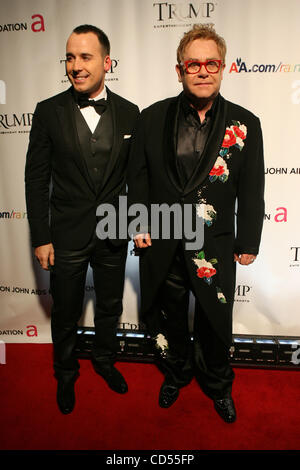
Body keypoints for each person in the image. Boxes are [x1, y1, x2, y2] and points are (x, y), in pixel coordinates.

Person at [128, 24, 264, 423]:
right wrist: (138, 223)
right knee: (168, 316)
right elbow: (137, 177)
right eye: (193, 64)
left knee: (215, 321)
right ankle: (175, 373)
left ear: (223, 69)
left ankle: (218, 383)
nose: (202, 71)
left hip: (216, 246)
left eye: (211, 63)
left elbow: (252, 186)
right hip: (163, 241)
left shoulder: (246, 122)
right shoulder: (150, 118)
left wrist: (249, 239)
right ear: (179, 70)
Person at [25, 24, 139, 414]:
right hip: (66, 232)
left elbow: (136, 179)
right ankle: (66, 373)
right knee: (66, 309)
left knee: (109, 305)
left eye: (85, 57)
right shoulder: (48, 112)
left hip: (114, 229)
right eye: (70, 57)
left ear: (107, 62)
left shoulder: (129, 112)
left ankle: (105, 361)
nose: (75, 66)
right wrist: (41, 236)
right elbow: (36, 179)